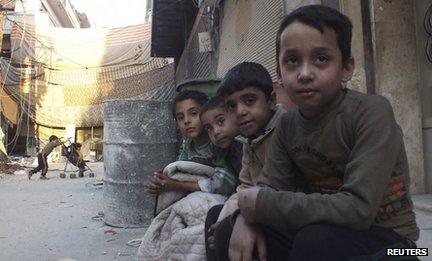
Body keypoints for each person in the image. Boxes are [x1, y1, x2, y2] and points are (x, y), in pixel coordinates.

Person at [212, 5, 419, 261]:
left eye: (321, 58)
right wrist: (246, 217)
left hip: (397, 243)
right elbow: (268, 187)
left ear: (347, 67)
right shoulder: (287, 126)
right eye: (292, 61)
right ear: (279, 73)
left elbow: (359, 209)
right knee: (227, 229)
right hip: (327, 231)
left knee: (314, 242)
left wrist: (259, 206)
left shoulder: (372, 112)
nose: (305, 73)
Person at [204, 62, 286, 260]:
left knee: (226, 231)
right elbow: (245, 186)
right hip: (260, 205)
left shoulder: (286, 129)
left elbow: (284, 189)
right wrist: (227, 217)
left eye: (249, 100)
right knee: (216, 217)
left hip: (282, 211)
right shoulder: (249, 140)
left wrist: (245, 217)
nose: (240, 111)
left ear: (271, 100)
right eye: (232, 106)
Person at [145, 90, 238, 200]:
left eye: (194, 114)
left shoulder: (218, 141)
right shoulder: (187, 145)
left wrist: (177, 185)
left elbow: (224, 183)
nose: (186, 121)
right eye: (180, 117)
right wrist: (162, 180)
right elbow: (180, 170)